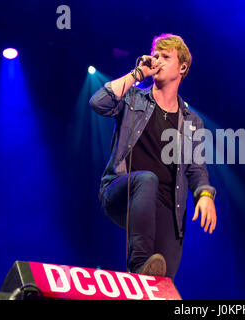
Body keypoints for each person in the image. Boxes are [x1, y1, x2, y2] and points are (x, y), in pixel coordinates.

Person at [89, 34, 217, 280]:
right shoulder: (134, 99)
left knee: (163, 284)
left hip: (168, 210)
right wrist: (137, 75)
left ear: (182, 68)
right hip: (123, 190)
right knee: (146, 179)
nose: (157, 61)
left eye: (165, 57)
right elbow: (98, 103)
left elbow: (196, 169)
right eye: (155, 55)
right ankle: (137, 265)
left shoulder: (191, 121)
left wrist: (205, 194)